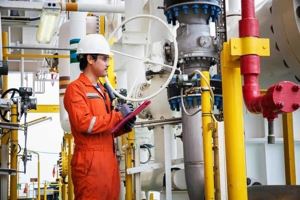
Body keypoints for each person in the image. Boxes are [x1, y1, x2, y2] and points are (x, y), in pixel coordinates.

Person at [64, 34, 135, 200]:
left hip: (109, 163)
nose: (108, 64)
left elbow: (105, 128)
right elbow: (85, 124)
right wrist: (118, 116)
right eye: (104, 59)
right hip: (90, 164)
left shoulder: (102, 90)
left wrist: (124, 125)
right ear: (90, 58)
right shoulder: (76, 89)